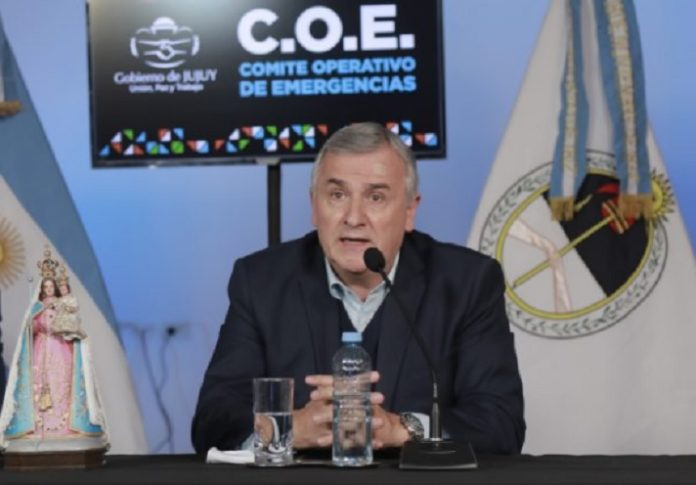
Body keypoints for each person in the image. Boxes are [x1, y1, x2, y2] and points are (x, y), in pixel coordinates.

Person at [192, 122, 525, 454]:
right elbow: (213, 420)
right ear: (314, 205)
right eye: (337, 195)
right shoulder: (261, 281)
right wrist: (287, 429)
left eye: (376, 197)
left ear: (410, 211)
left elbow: (500, 422)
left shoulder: (466, 283)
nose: (353, 218)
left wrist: (400, 429)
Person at [0, 252, 107, 450]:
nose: (49, 290)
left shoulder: (62, 304)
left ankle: (64, 425)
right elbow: (29, 329)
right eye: (45, 287)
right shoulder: (37, 307)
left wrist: (63, 322)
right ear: (41, 290)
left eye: (51, 287)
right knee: (41, 384)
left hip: (60, 348)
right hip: (41, 349)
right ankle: (39, 425)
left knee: (62, 384)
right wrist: (33, 320)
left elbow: (71, 324)